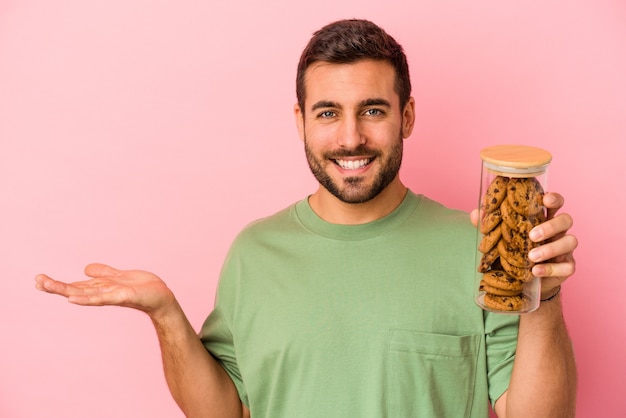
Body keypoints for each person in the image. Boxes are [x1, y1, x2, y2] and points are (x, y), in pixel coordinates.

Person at [35, 19, 578, 418]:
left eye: (372, 110)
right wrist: (167, 315)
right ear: (300, 121)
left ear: (406, 116)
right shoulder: (254, 252)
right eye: (327, 113)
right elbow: (227, 411)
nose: (350, 138)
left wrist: (544, 295)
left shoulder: (475, 247)